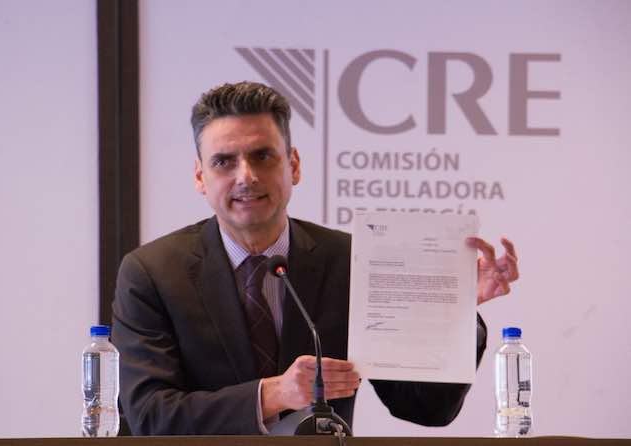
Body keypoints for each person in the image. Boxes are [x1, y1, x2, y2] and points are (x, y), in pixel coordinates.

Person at [112, 81, 519, 435]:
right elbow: (149, 415)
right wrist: (273, 394)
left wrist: (453, 310)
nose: (246, 176)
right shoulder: (152, 273)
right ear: (200, 176)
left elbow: (425, 408)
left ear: (293, 166)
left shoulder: (351, 262)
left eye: (262, 156)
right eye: (224, 162)